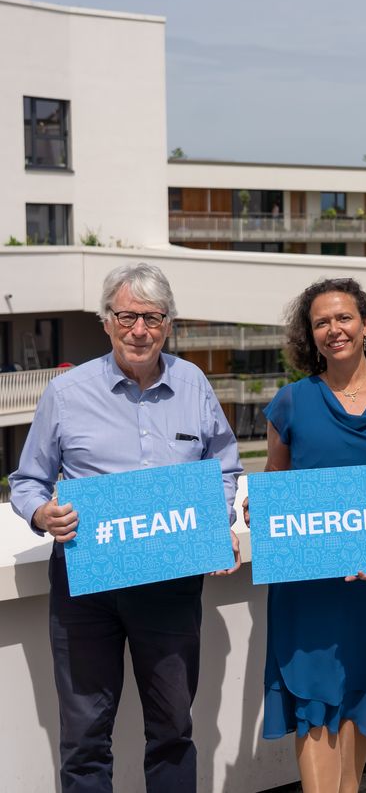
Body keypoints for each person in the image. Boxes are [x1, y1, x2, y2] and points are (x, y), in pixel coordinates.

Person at [9, 263, 242, 793]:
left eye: (153, 317)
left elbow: (226, 466)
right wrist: (44, 514)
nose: (140, 329)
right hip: (86, 587)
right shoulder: (66, 393)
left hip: (171, 584)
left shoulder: (193, 384)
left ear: (168, 324)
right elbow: (27, 481)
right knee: (85, 737)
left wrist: (216, 517)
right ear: (107, 321)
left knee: (172, 730)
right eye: (128, 316)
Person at [251, 277, 366, 793]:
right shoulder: (289, 402)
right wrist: (260, 503)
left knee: (359, 691)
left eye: (344, 318)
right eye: (321, 322)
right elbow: (277, 479)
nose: (334, 329)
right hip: (307, 581)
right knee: (314, 697)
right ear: (309, 335)